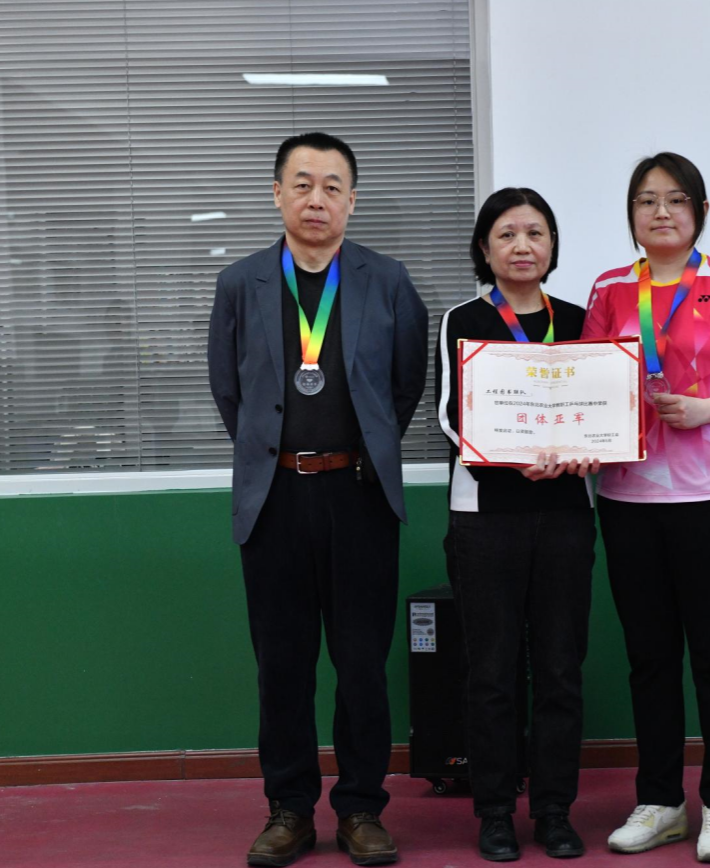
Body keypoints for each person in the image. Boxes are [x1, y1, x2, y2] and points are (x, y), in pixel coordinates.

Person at [208, 131, 428, 867]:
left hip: (359, 495)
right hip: (274, 497)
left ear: (352, 201)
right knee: (283, 665)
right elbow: (228, 389)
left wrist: (361, 449)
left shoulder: (387, 280)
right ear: (277, 194)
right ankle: (290, 810)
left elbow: (404, 386)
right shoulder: (240, 283)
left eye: (332, 186)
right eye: (301, 183)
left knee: (362, 663)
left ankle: (361, 808)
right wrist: (277, 455)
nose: (316, 199)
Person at [582, 153, 710, 863]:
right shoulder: (610, 288)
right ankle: (661, 801)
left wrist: (706, 410)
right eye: (646, 200)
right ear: (631, 214)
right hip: (628, 498)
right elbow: (590, 385)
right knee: (650, 660)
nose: (660, 212)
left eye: (675, 199)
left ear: (699, 210)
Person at [436, 187, 599, 862]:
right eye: (506, 234)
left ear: (552, 245)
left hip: (565, 516)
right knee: (492, 671)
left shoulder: (580, 319)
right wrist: (513, 460)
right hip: (485, 517)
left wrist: (592, 449)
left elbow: (602, 407)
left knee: (560, 668)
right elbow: (450, 415)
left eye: (535, 233)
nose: (522, 246)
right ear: (485, 247)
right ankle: (496, 812)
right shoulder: (463, 319)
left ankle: (555, 811)